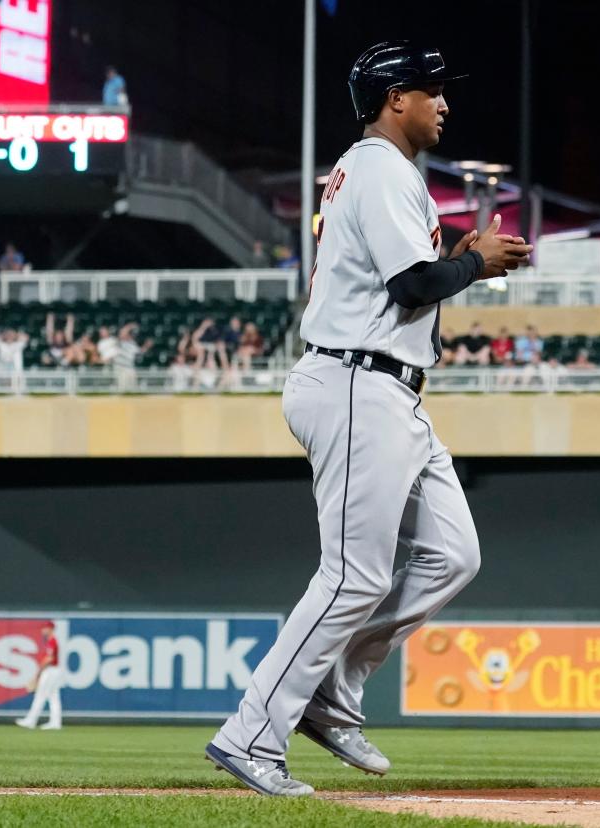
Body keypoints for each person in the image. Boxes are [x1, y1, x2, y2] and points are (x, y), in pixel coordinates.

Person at [204, 41, 531, 797]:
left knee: (452, 554)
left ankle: (332, 693)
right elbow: (415, 284)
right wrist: (473, 263)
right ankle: (252, 735)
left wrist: (458, 257)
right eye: (430, 90)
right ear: (395, 100)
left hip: (389, 389)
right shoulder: (383, 167)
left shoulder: (380, 170)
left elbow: (412, 279)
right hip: (357, 380)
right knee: (353, 574)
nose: (443, 102)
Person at [15, 621, 62, 731]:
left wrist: (39, 671)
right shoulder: (51, 641)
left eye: (44, 628)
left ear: (50, 629)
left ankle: (31, 721)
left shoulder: (52, 641)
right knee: (53, 697)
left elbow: (49, 659)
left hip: (50, 670)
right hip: (54, 670)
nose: (42, 630)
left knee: (40, 695)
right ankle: (55, 722)